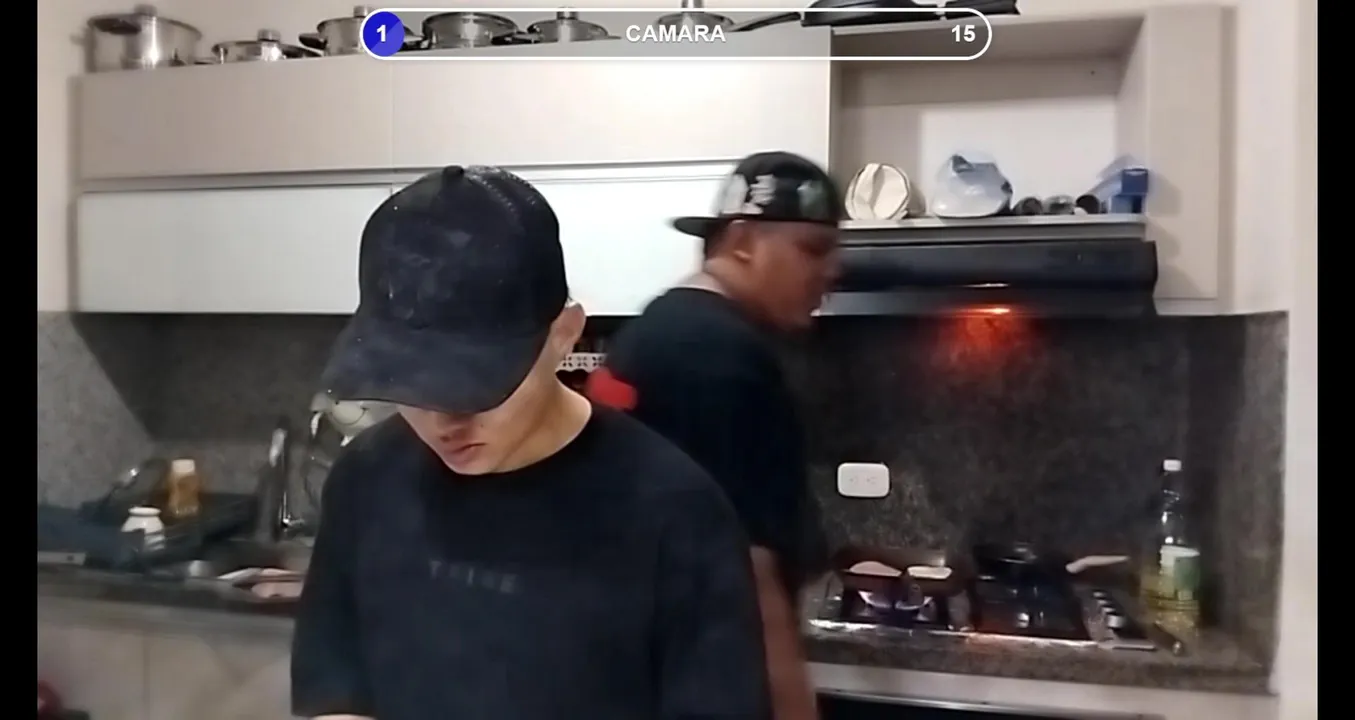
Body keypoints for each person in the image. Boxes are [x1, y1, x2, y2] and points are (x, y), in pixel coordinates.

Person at [291, 165, 771, 720]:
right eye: (412, 386)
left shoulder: (677, 515)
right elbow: (334, 692)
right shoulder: (364, 483)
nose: (445, 421)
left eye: (479, 387)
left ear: (564, 335)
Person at [586, 152, 842, 720]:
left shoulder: (660, 327)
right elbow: (747, 566)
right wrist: (791, 704)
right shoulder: (719, 357)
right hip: (700, 678)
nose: (832, 271)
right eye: (814, 250)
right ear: (744, 241)